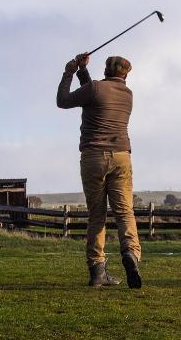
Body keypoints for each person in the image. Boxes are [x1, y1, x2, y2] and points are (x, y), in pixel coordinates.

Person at [57, 52, 142, 288]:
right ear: (125, 75)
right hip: (122, 157)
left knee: (97, 215)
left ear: (105, 70)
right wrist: (83, 72)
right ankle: (131, 253)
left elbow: (64, 100)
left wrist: (70, 71)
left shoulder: (95, 89)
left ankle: (97, 271)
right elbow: (94, 94)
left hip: (93, 157)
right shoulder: (127, 95)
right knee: (125, 213)